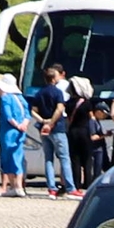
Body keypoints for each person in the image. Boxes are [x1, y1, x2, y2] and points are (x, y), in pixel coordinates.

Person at [31, 64, 73, 196]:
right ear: (54, 79)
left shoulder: (39, 93)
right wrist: (51, 122)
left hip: (43, 129)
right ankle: (70, 187)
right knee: (64, 157)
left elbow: (33, 111)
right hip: (57, 128)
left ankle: (51, 187)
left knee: (48, 158)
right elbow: (60, 109)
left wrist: (42, 121)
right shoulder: (57, 92)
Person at [0, 73, 29, 197]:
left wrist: (17, 125)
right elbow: (27, 114)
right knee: (18, 157)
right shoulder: (20, 97)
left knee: (7, 158)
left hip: (8, 131)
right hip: (20, 131)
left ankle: (14, 186)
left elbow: (8, 116)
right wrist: (23, 125)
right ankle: (19, 186)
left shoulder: (6, 98)